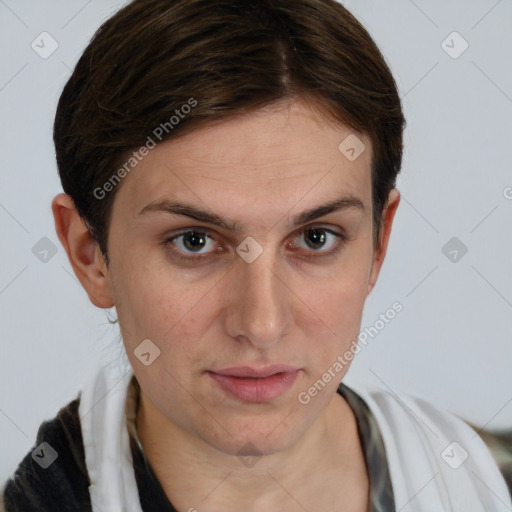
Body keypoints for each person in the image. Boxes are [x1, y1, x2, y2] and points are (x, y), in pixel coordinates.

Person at [1, 0, 511, 510]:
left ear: (379, 243)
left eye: (316, 238)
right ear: (91, 255)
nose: (262, 323)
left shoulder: (491, 483)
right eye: (194, 241)